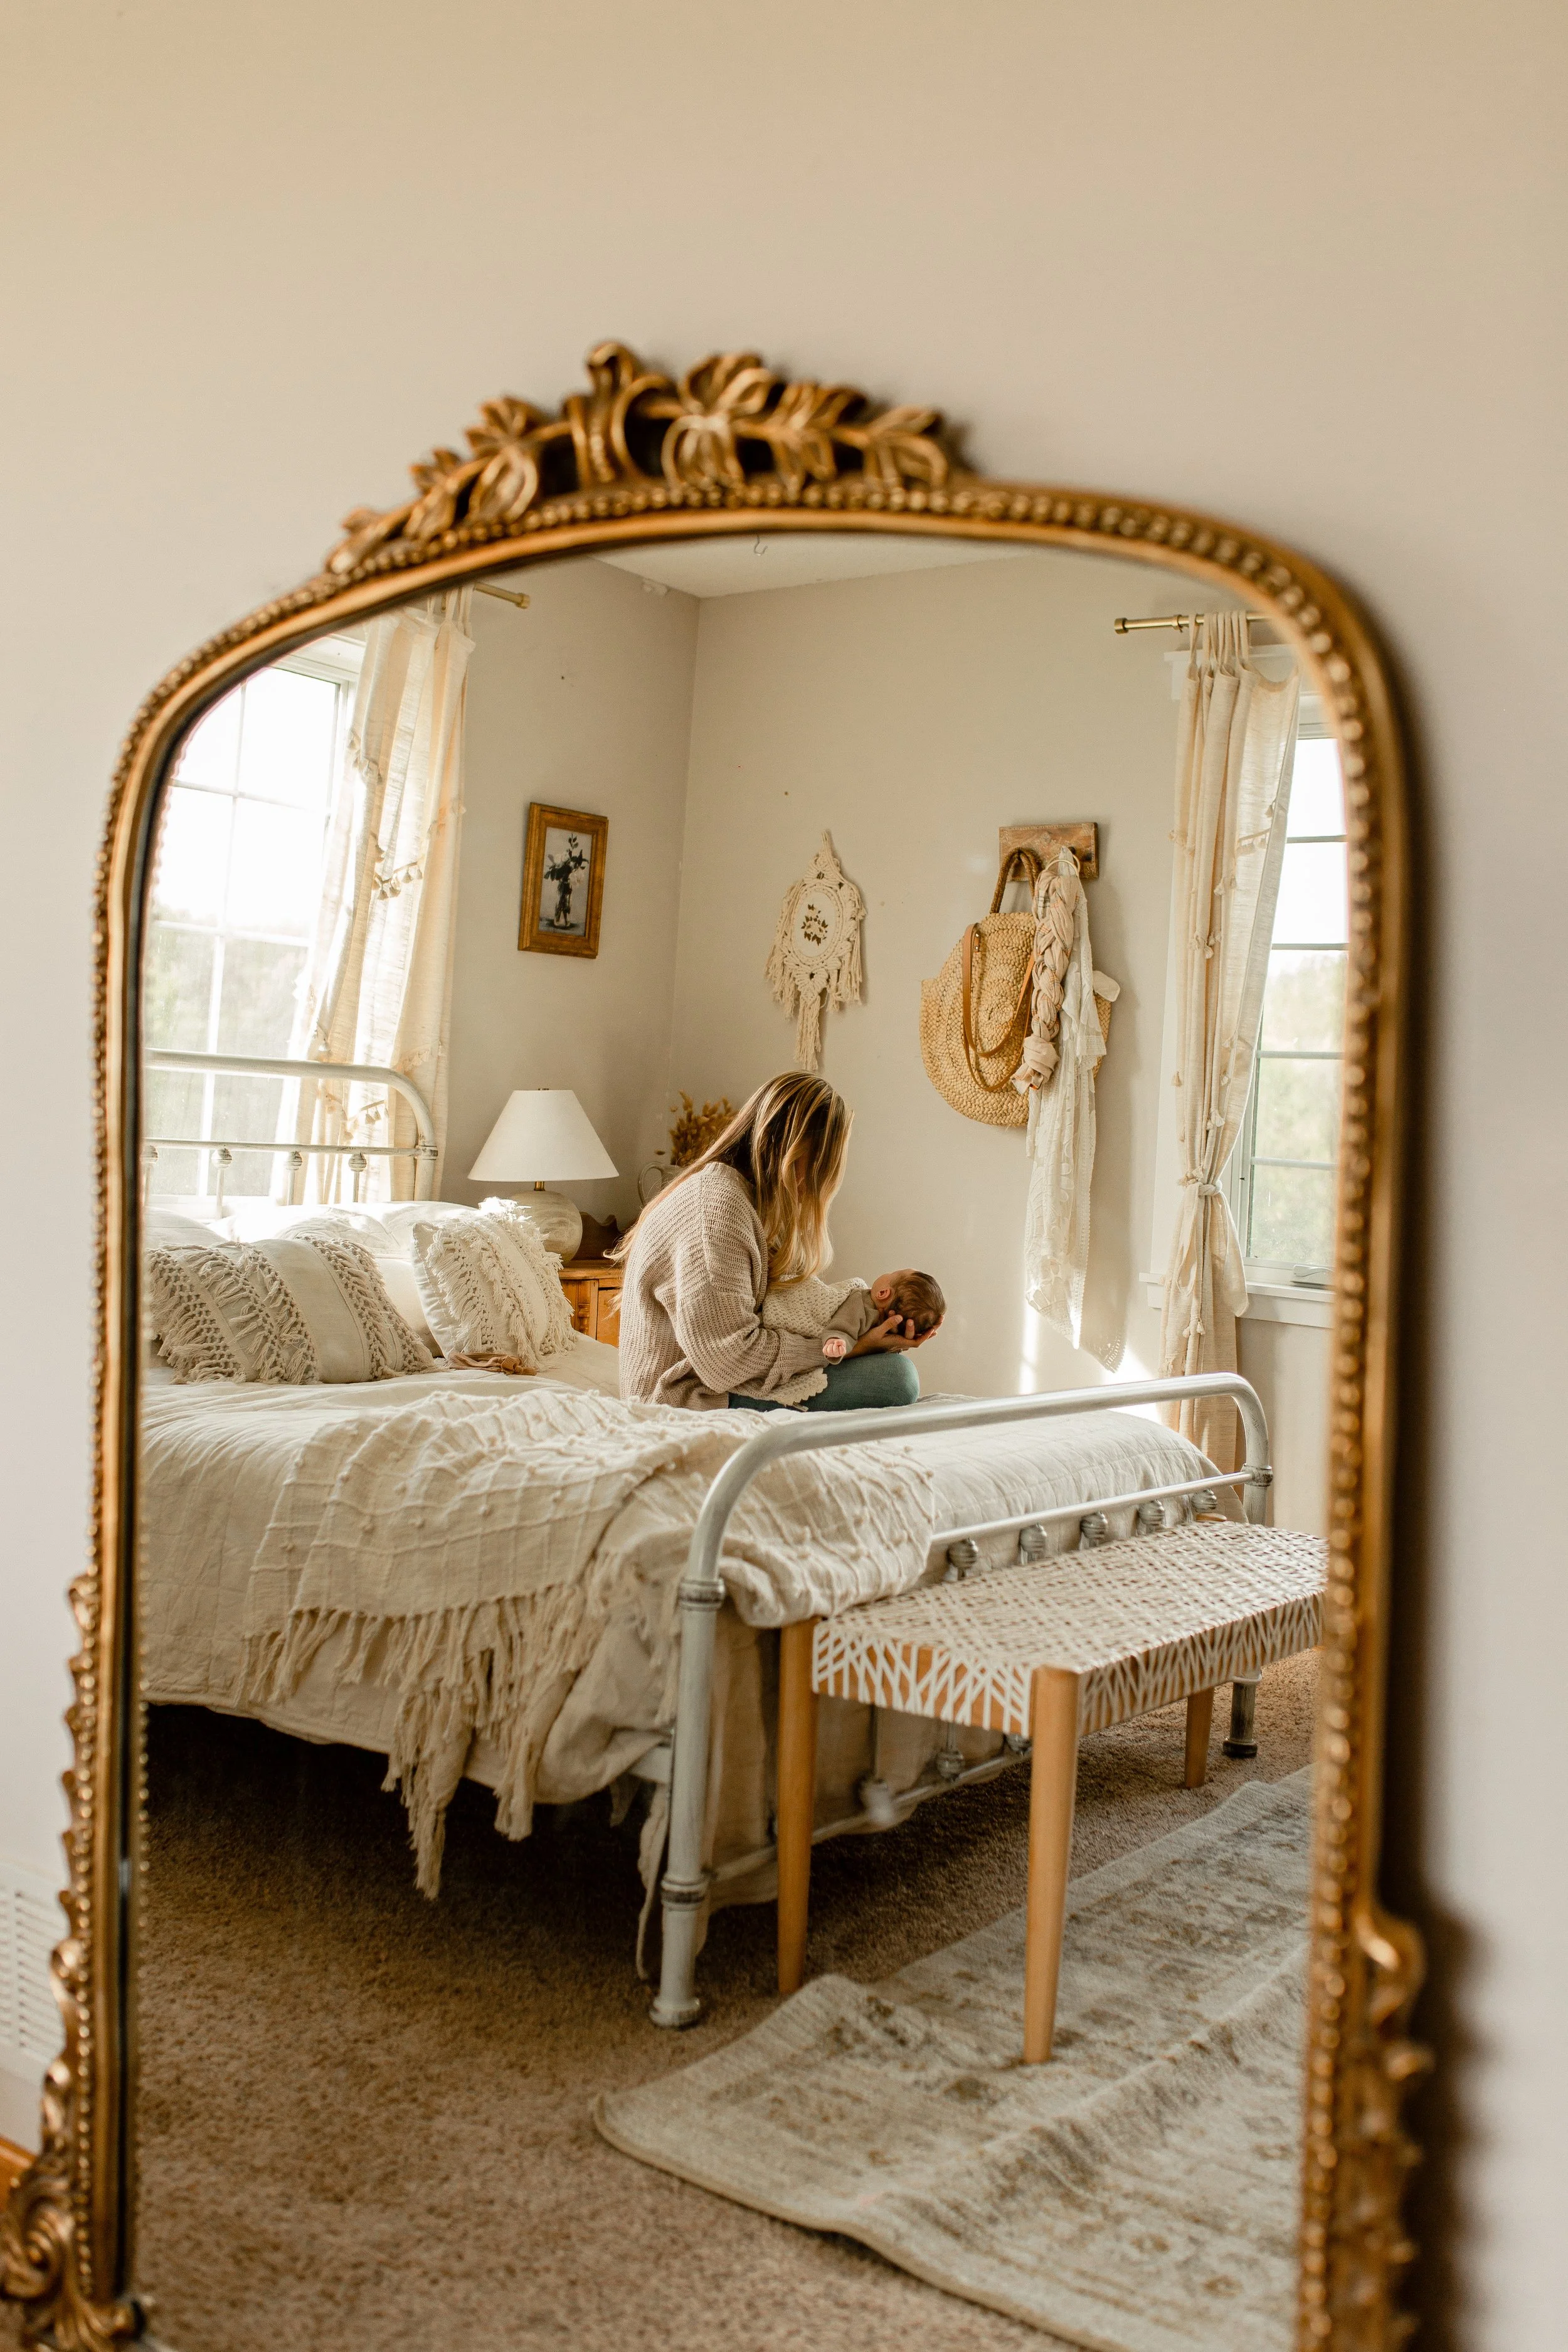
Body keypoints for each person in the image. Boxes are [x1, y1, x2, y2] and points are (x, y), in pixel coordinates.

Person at [615, 1073, 941, 1412]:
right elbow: (726, 1361)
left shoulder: (749, 1202)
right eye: (819, 1165)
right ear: (793, 1151)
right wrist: (852, 1348)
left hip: (719, 1378)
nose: (816, 1183)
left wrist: (872, 1326)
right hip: (687, 1396)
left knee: (893, 1373)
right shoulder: (715, 1209)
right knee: (895, 1379)